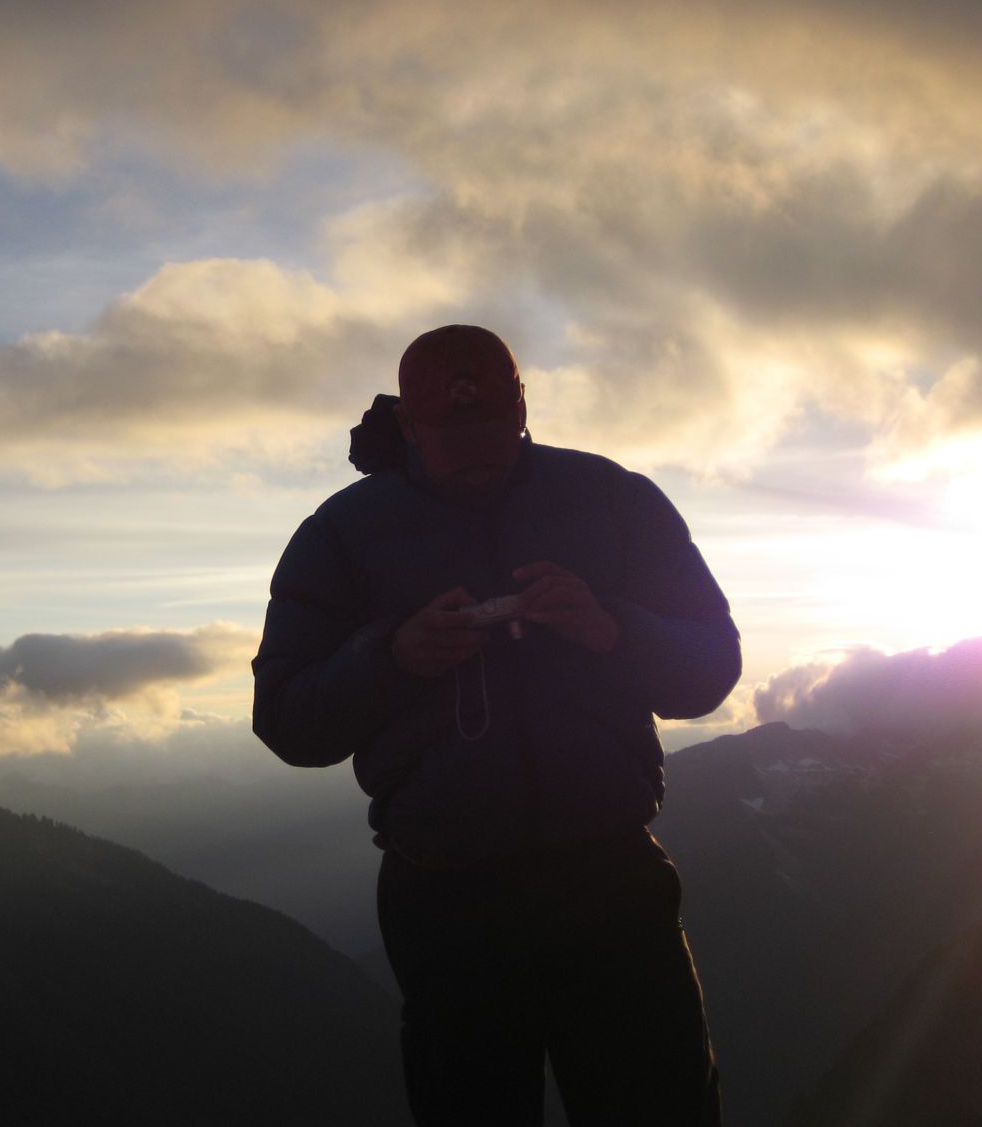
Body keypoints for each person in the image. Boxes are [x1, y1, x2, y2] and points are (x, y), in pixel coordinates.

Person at [251, 325, 739, 1125]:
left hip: (612, 884)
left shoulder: (617, 500)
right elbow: (286, 721)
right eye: (450, 437)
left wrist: (608, 627)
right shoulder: (340, 535)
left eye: (492, 430)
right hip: (446, 902)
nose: (477, 454)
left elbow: (711, 666)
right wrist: (393, 656)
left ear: (522, 406)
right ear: (408, 426)